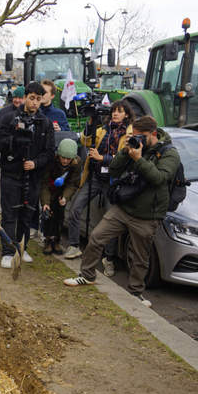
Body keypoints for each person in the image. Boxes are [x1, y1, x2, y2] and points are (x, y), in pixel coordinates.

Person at [64, 115, 181, 306]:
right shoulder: (133, 148)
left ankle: (135, 293)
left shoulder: (169, 153)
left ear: (153, 134)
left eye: (140, 136)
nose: (136, 139)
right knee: (96, 237)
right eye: (134, 135)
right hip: (124, 207)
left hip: (147, 215)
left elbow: (159, 179)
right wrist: (125, 152)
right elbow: (114, 170)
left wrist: (139, 159)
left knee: (139, 256)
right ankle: (87, 275)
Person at [64, 99, 134, 276]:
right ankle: (74, 245)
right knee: (75, 209)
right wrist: (90, 122)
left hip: (113, 181)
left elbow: (125, 157)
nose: (115, 113)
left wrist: (103, 158)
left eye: (120, 111)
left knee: (111, 222)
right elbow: (85, 140)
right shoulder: (103, 129)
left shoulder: (129, 133)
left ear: (126, 114)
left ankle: (108, 258)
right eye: (114, 110)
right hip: (95, 178)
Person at [0, 81, 55, 267]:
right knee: (9, 214)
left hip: (32, 177)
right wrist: (15, 141)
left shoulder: (45, 123)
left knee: (27, 214)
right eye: (32, 98)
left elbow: (49, 151)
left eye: (38, 99)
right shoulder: (9, 118)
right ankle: (7, 251)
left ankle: (22, 247)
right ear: (25, 97)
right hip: (11, 173)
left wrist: (35, 163)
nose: (34, 102)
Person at [40, 138, 81, 254]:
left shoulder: (77, 163)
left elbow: (73, 183)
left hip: (63, 189)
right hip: (49, 187)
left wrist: (65, 197)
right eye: (63, 157)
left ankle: (57, 240)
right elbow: (44, 183)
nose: (65, 161)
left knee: (60, 216)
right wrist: (45, 202)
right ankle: (48, 240)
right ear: (58, 155)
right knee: (48, 215)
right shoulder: (51, 160)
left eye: (68, 159)